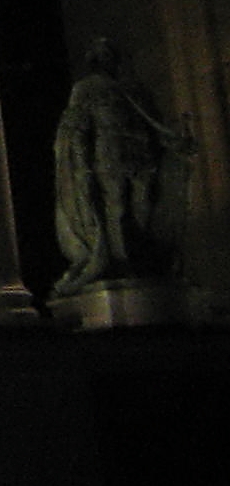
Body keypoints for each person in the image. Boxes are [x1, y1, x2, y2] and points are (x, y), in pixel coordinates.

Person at [53, 36, 193, 296]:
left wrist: (175, 144)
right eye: (103, 55)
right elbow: (77, 127)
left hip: (140, 156)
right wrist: (82, 164)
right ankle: (120, 261)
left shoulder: (135, 91)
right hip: (109, 156)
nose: (108, 59)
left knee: (143, 208)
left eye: (110, 54)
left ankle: (138, 259)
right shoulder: (86, 88)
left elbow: (154, 125)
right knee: (115, 207)